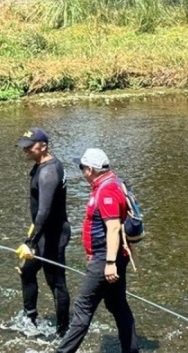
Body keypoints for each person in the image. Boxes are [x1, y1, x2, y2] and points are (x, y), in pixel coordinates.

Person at [57, 148, 139, 353]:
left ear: (91, 169)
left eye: (82, 167)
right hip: (112, 256)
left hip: (105, 258)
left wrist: (110, 263)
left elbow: (112, 227)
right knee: (116, 304)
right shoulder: (112, 183)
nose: (81, 171)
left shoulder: (107, 191)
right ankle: (131, 350)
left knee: (83, 307)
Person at [14, 127, 71, 337]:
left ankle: (63, 332)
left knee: (56, 283)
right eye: (24, 146)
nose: (25, 150)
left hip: (53, 237)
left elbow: (45, 210)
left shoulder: (48, 172)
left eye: (30, 147)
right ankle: (30, 318)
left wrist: (30, 243)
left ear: (43, 146)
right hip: (41, 233)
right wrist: (31, 236)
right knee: (26, 270)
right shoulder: (42, 164)